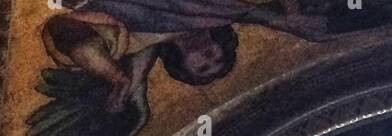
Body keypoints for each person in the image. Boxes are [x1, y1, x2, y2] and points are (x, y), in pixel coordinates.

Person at [42, 2, 328, 112]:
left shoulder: (152, 40)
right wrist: (289, 22)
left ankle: (115, 78)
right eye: (217, 58)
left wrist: (132, 81)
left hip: (97, 12)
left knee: (75, 43)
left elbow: (143, 52)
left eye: (203, 66)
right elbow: (246, 12)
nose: (209, 56)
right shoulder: (211, 13)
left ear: (181, 66)